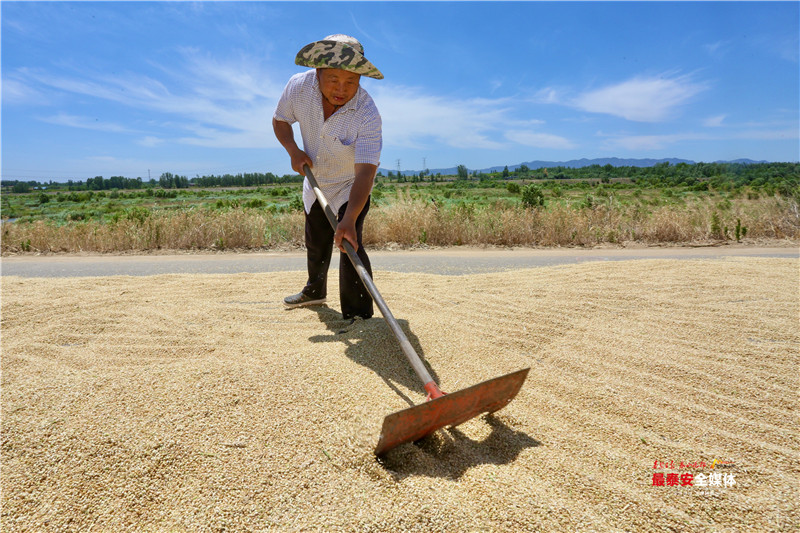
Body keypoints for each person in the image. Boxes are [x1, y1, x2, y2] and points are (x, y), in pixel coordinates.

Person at [272, 34, 383, 320]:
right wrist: (293, 150)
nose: (342, 89)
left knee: (349, 241)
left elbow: (366, 172)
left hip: (351, 185)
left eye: (351, 82)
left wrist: (348, 219)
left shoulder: (367, 114)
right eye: (333, 79)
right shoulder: (298, 87)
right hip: (316, 182)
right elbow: (280, 119)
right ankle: (314, 291)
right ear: (318, 71)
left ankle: (358, 316)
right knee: (317, 240)